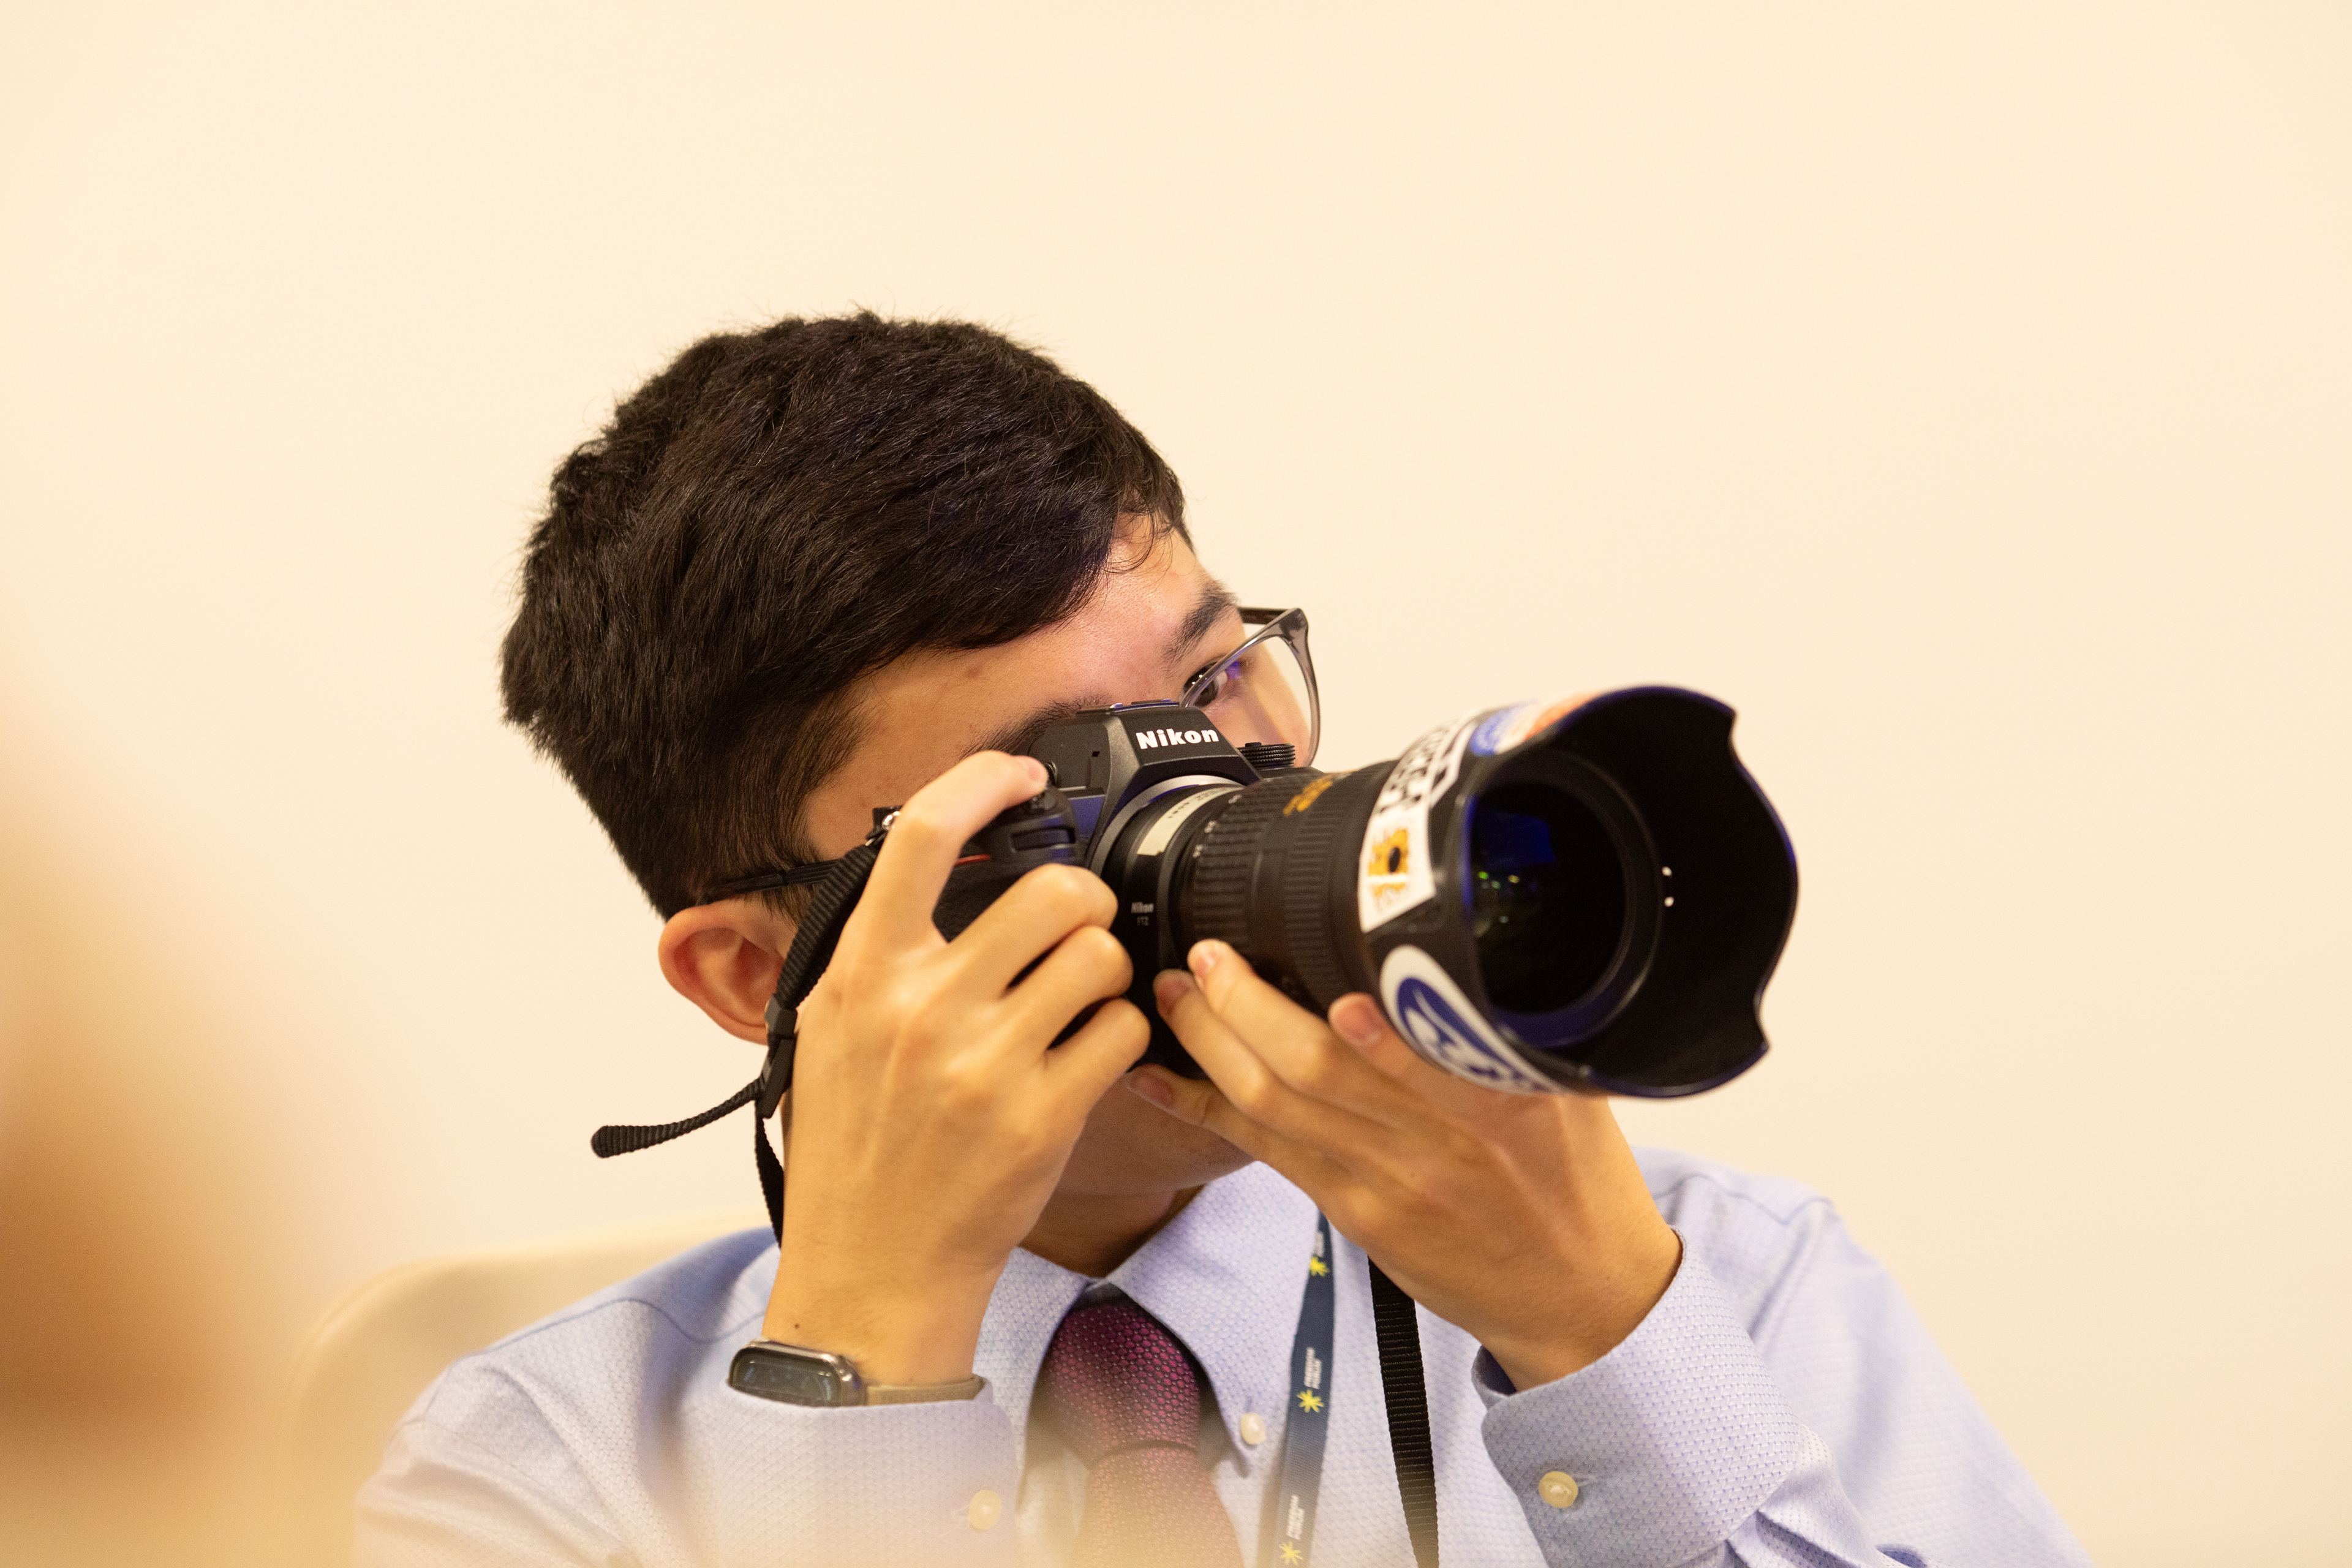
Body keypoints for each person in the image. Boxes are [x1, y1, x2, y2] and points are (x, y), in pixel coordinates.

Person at [357, 314, 2090, 1567]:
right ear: (762, 975)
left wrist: (1604, 1354)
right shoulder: (549, 1475)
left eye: (1212, 681)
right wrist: (866, 1369)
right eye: (1049, 795)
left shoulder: (1716, 1284)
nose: (1219, 784)